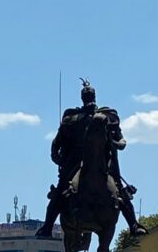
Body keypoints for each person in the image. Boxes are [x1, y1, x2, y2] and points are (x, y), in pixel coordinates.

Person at [36, 80, 146, 240]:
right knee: (60, 193)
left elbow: (121, 141)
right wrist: (61, 162)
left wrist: (113, 142)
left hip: (104, 163)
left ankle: (134, 225)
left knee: (120, 191)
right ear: (83, 98)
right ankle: (47, 226)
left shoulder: (108, 117)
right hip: (74, 165)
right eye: (87, 95)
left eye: (90, 95)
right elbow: (56, 145)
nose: (89, 98)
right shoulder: (71, 119)